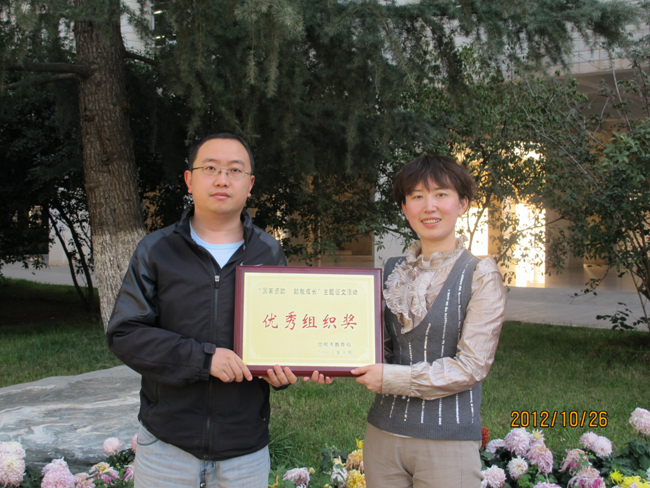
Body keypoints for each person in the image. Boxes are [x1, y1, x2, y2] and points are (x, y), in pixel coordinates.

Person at [107, 132, 327, 488]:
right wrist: (203, 359)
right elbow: (126, 334)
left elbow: (281, 337)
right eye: (210, 168)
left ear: (250, 184)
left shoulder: (268, 254)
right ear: (189, 179)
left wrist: (286, 370)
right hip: (166, 444)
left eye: (235, 170)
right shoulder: (157, 250)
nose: (222, 179)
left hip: (244, 449)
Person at [351, 154, 507, 488]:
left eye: (441, 194)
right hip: (382, 435)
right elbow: (377, 349)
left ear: (462, 204)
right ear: (404, 208)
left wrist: (392, 379)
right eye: (417, 196)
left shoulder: (480, 274)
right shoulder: (392, 270)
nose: (429, 206)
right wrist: (332, 361)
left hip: (448, 441)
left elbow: (472, 366)